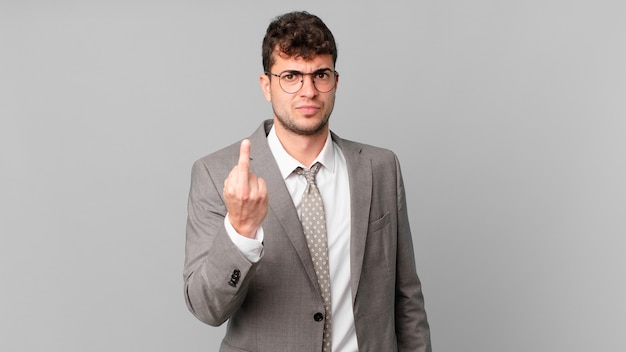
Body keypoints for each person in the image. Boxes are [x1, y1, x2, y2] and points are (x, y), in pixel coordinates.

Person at [183, 11, 431, 352]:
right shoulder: (216, 174)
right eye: (291, 76)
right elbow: (207, 307)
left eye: (320, 75)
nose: (308, 90)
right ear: (266, 85)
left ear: (336, 81)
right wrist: (240, 231)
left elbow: (407, 297)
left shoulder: (380, 168)